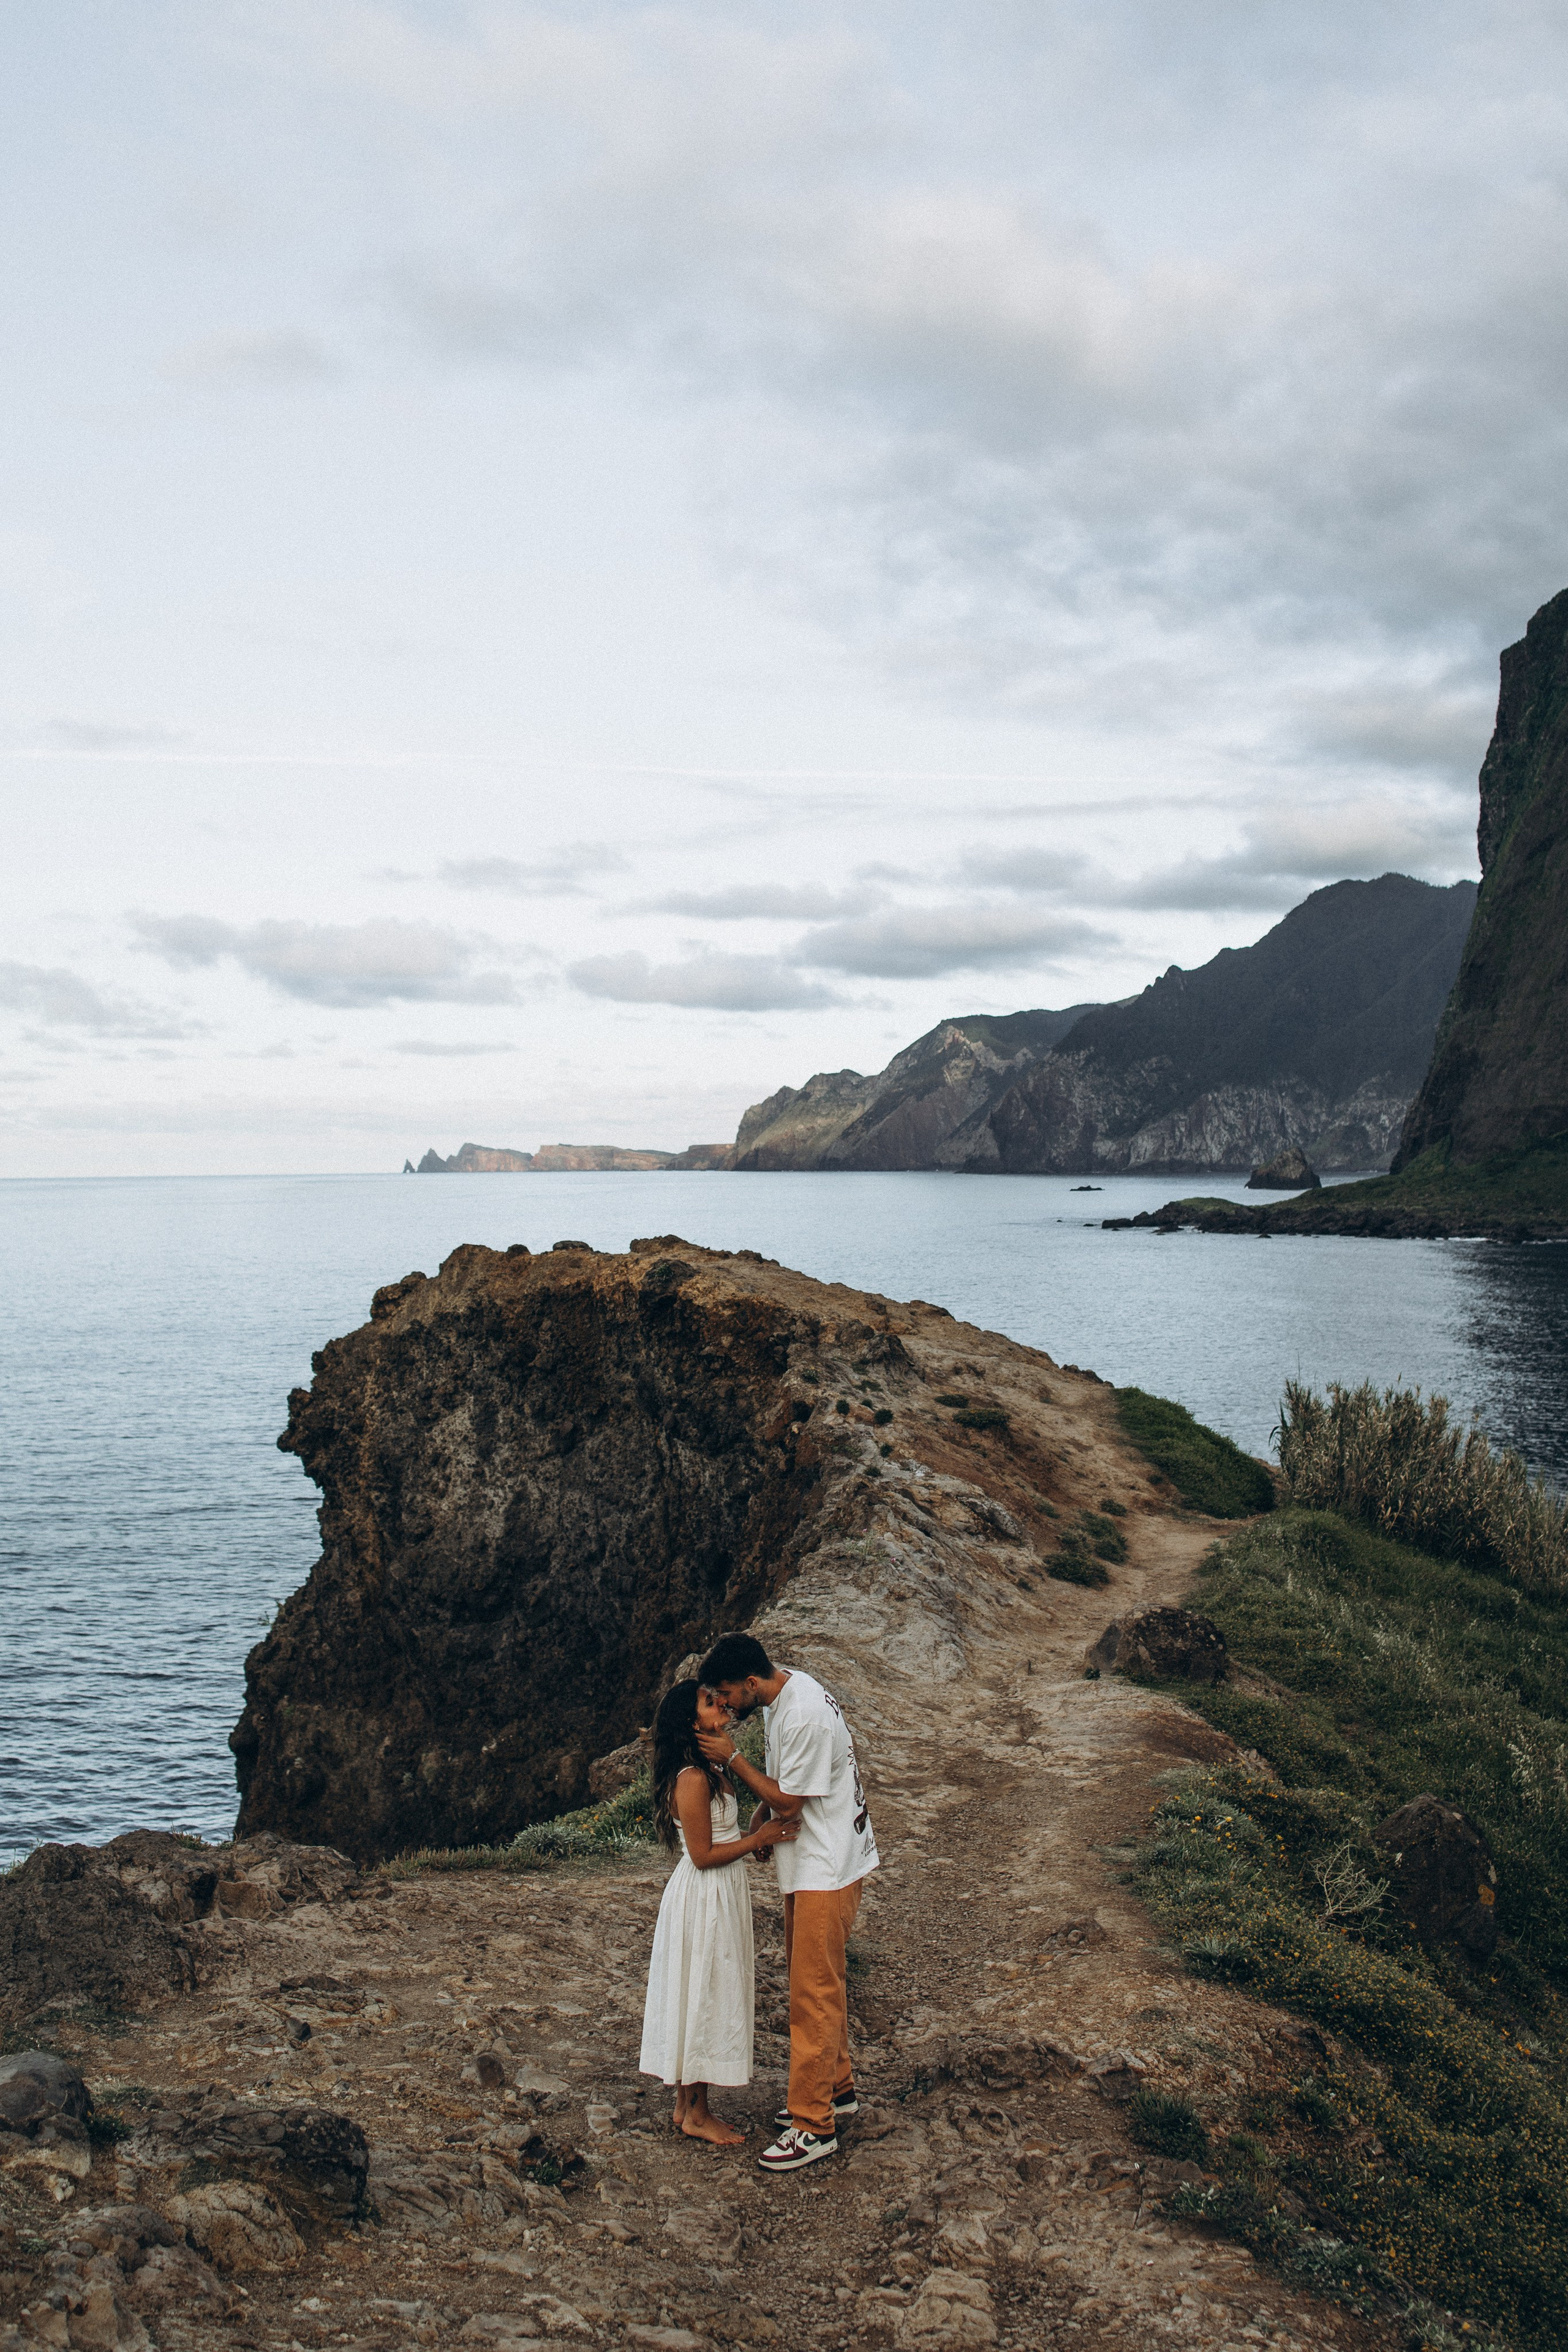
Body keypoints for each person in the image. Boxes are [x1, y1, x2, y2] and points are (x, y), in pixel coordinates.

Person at [696, 1632, 880, 2173]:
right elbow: (786, 1786)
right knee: (822, 1983)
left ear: (751, 1682)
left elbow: (790, 1799)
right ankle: (837, 2091)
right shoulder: (789, 1691)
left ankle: (813, 2125)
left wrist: (732, 1758)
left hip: (827, 1868)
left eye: (728, 1694)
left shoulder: (801, 1716)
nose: (726, 1705)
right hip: (817, 1863)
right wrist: (760, 1824)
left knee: (812, 1996)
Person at [638, 1678, 800, 2146]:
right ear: (693, 1724)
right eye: (711, 1704)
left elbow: (720, 1836)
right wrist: (758, 1840)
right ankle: (698, 2112)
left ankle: (684, 2106)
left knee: (700, 1990)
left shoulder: (711, 1769)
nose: (722, 1706)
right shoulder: (692, 1778)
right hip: (704, 1895)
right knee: (705, 1993)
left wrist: (752, 1834)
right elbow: (703, 1854)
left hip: (719, 1891)